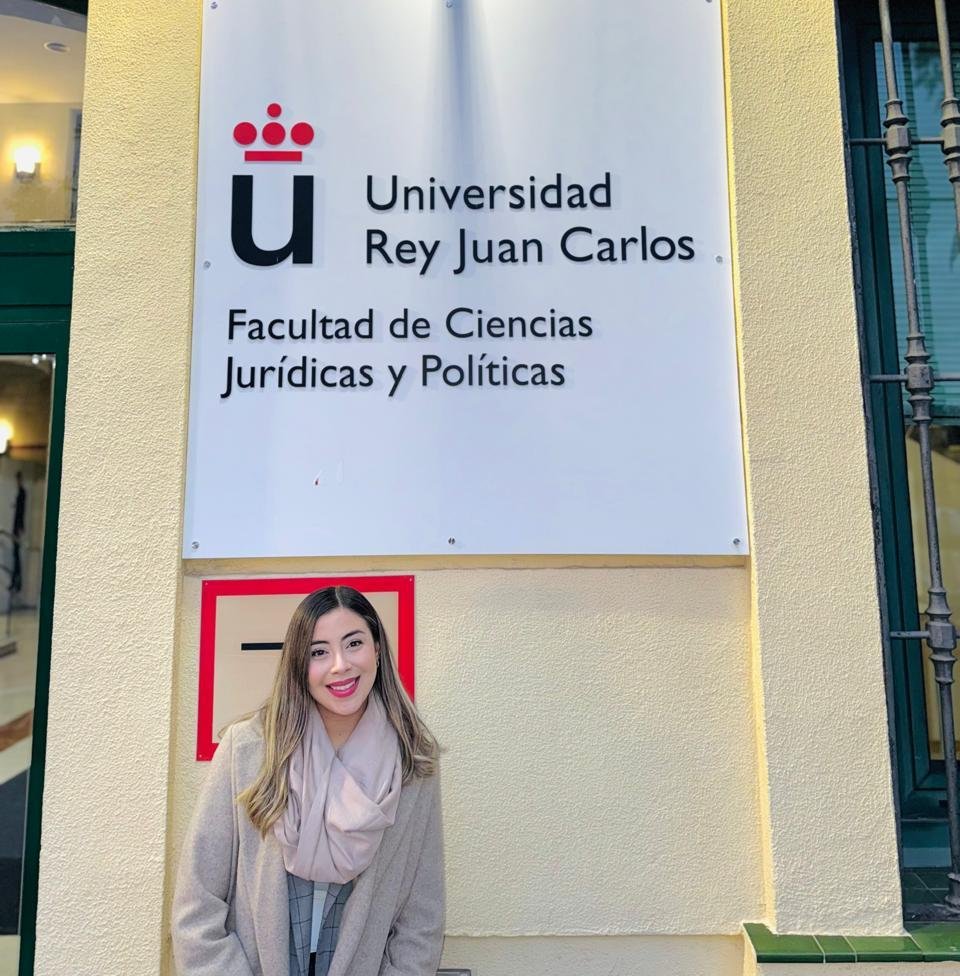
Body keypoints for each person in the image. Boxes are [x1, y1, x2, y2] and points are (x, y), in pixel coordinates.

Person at [172, 585, 444, 976]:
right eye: (319, 652)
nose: (340, 665)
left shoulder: (412, 763)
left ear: (377, 649)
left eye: (354, 644)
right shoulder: (249, 750)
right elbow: (197, 907)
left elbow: (421, 919)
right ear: (299, 664)